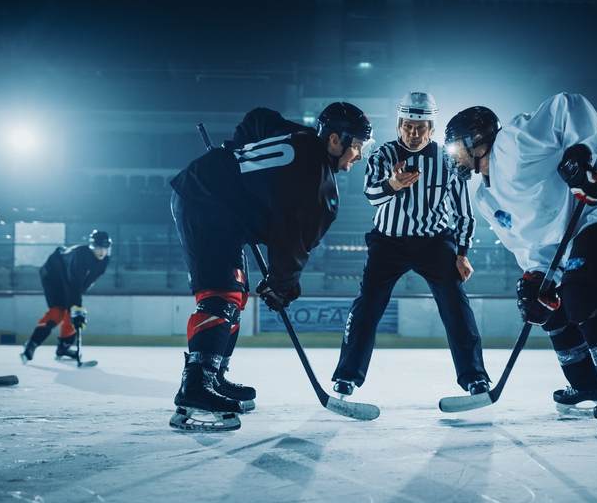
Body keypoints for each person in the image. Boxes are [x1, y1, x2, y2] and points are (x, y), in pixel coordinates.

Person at [443, 92, 597, 436]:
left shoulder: (512, 143)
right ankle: (587, 383)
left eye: (456, 147)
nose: (454, 156)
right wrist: (538, 276)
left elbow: (567, 106)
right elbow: (528, 241)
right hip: (571, 235)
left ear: (475, 139)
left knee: (584, 296)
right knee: (550, 306)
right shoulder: (484, 196)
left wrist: (581, 154)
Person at [168, 103, 373, 431]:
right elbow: (291, 243)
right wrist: (283, 284)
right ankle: (195, 389)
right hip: (204, 201)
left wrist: (237, 151)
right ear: (335, 140)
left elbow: (258, 118)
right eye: (358, 146)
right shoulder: (318, 183)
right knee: (221, 295)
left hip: (212, 199)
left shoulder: (300, 136)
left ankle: (213, 375)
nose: (359, 155)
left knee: (235, 295)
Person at [330, 92, 489, 397]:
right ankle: (347, 376)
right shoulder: (382, 155)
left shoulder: (448, 159)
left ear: (431, 128)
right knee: (367, 307)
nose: (413, 133)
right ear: (399, 124)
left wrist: (462, 253)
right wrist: (393, 184)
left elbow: (463, 212)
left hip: (435, 243)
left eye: (421, 127)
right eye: (407, 126)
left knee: (456, 306)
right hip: (388, 242)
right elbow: (371, 197)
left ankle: (474, 377)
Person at [20, 230, 111, 364]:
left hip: (68, 278)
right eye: (98, 248)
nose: (102, 252)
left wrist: (76, 307)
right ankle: (32, 344)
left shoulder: (104, 261)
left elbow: (83, 285)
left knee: (72, 313)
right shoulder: (80, 256)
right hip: (52, 273)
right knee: (58, 311)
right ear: (92, 246)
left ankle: (63, 347)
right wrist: (76, 306)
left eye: (105, 248)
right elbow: (74, 283)